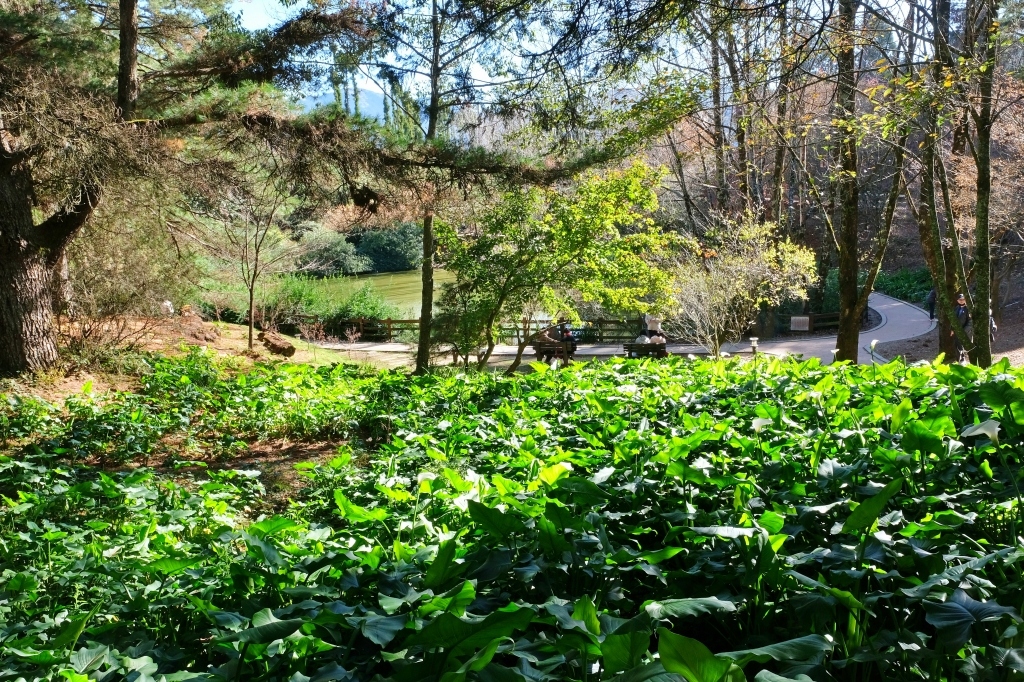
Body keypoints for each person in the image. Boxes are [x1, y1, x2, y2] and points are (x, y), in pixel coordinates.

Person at [953, 293, 971, 363]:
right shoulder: (956, 308)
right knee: (957, 344)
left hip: (964, 331)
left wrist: (964, 330)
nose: (961, 301)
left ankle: (963, 358)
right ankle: (958, 358)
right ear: (957, 300)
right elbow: (953, 319)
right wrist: (952, 329)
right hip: (956, 330)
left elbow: (970, 321)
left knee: (963, 345)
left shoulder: (968, 309)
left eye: (963, 299)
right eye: (960, 300)